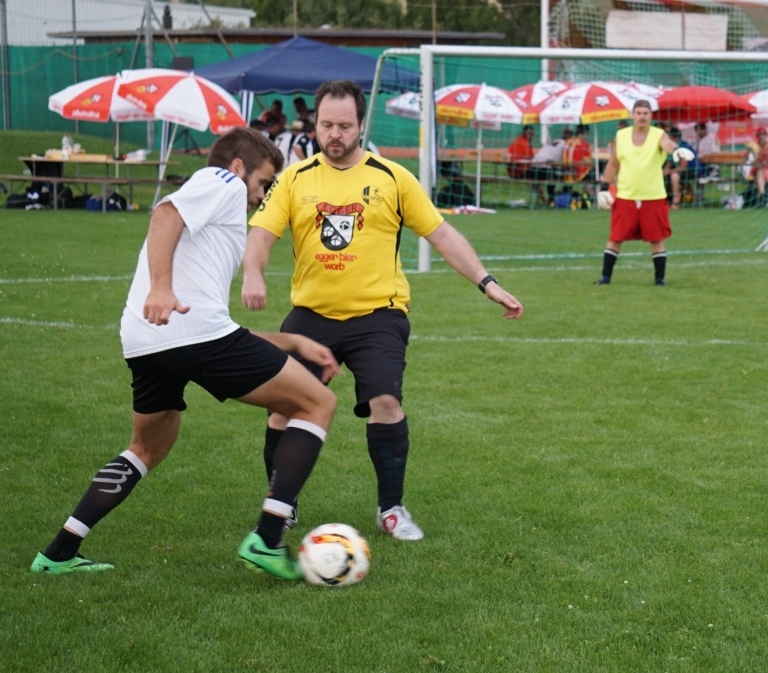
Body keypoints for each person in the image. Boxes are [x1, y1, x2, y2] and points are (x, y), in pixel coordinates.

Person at [29, 128, 339, 580]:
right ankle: (268, 538)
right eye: (263, 183)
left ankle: (58, 553)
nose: (261, 196)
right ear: (238, 167)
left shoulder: (216, 219)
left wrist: (292, 342)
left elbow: (217, 326)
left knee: (146, 447)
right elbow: (165, 214)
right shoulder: (223, 181)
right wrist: (161, 286)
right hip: (186, 331)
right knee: (317, 403)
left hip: (146, 339)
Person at [241, 80, 523, 543]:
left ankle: (391, 508)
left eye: (344, 126)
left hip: (378, 315)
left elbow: (441, 234)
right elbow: (261, 233)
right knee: (282, 409)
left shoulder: (392, 177)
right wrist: (253, 272)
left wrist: (487, 282)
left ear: (361, 125)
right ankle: (282, 505)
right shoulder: (295, 178)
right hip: (311, 316)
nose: (334, 134)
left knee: (387, 403)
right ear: (315, 123)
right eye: (326, 125)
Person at [596, 99, 689, 287]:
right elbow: (613, 163)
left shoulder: (658, 134)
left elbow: (668, 144)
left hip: (653, 197)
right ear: (633, 116)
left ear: (651, 116)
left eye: (645, 113)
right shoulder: (621, 135)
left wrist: (677, 150)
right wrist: (604, 186)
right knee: (616, 238)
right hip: (626, 196)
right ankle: (605, 278)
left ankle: (660, 279)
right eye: (638, 113)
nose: (642, 117)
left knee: (656, 239)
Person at [663, 127, 698, 209]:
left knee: (674, 176)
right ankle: (664, 199)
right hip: (680, 171)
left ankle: (675, 203)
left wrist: (668, 171)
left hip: (691, 170)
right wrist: (664, 171)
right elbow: (669, 163)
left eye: (668, 137)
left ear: (673, 137)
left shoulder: (683, 146)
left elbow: (682, 167)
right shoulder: (671, 147)